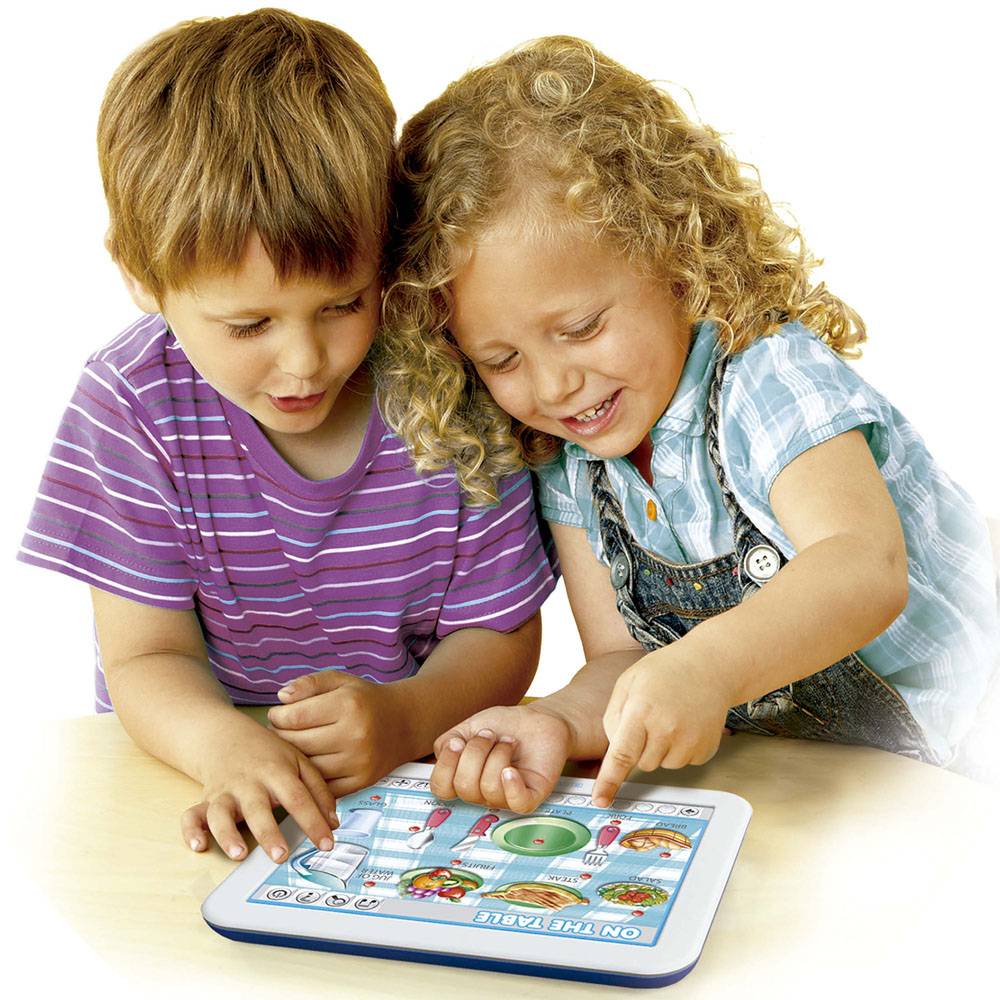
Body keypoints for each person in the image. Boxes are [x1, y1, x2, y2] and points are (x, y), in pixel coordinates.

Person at [377, 35, 999, 811]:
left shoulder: (765, 374)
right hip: (848, 784)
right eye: (502, 360)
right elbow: (621, 659)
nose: (554, 384)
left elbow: (863, 567)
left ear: (674, 254)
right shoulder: (568, 461)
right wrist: (560, 721)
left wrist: (707, 667)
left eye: (580, 328)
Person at [18, 11, 557, 861]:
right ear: (140, 276)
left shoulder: (450, 383)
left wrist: (407, 716)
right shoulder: (130, 406)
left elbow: (501, 631)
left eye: (344, 304)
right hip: (200, 793)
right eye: (248, 325)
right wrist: (223, 748)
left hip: (415, 789)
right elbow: (146, 657)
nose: (305, 362)